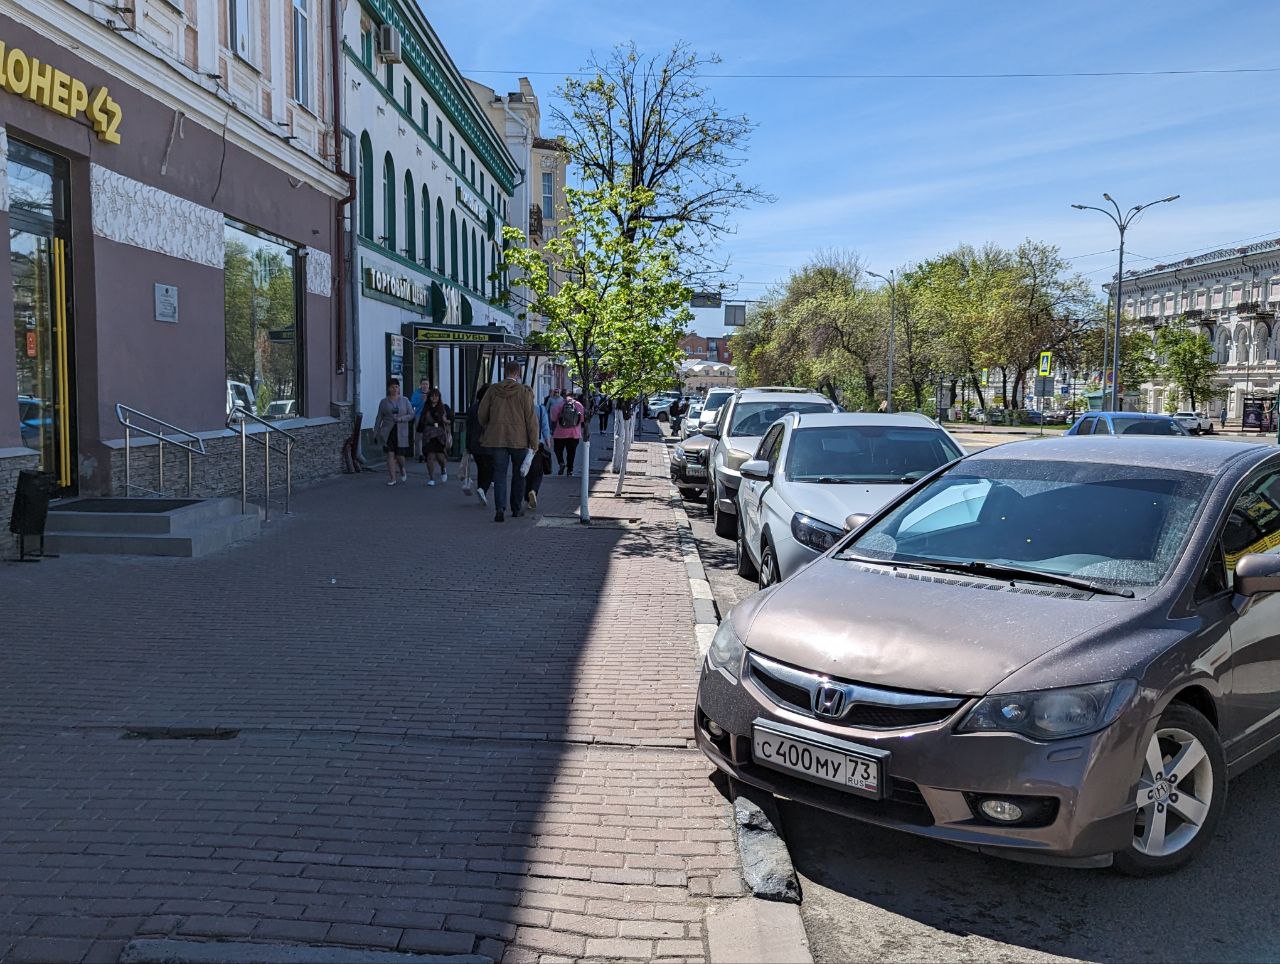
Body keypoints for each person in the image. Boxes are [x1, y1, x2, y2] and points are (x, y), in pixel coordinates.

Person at [477, 363, 539, 522]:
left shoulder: (493, 390)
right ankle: (516, 508)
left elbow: (482, 413)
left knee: (499, 474)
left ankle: (500, 508)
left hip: (497, 438)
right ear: (518, 373)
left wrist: (488, 426)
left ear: (505, 372)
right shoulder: (524, 392)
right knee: (519, 474)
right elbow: (531, 420)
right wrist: (534, 442)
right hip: (519, 439)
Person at [374, 379, 415, 486]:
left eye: (396, 386)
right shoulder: (384, 402)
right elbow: (379, 417)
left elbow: (411, 414)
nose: (394, 389)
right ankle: (392, 478)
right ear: (388, 388)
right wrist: (376, 431)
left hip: (401, 431)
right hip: (388, 431)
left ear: (399, 388)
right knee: (390, 454)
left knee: (400, 456)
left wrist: (401, 419)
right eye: (392, 387)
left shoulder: (405, 400)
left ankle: (402, 468)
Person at [464, 384, 494, 505]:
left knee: (481, 468)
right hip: (488, 443)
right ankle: (482, 489)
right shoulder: (492, 408)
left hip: (474, 444)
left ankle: (482, 492)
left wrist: (468, 445)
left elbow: (469, 427)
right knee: (490, 469)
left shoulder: (473, 408)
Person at [416, 388, 452, 486]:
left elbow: (450, 419)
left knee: (440, 457)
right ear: (429, 397)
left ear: (439, 397)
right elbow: (422, 421)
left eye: (436, 396)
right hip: (428, 435)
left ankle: (443, 469)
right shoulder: (426, 407)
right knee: (430, 456)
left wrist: (445, 421)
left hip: (439, 435)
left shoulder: (444, 408)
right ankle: (431, 478)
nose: (434, 398)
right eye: (432, 396)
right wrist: (419, 431)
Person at [524, 395, 554, 511]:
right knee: (537, 472)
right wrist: (548, 441)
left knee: (525, 473)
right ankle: (533, 491)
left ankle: (526, 498)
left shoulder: (520, 409)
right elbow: (545, 427)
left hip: (522, 445)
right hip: (537, 445)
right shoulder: (540, 409)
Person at [550, 389, 586, 475]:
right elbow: (582, 419)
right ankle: (570, 470)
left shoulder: (559, 404)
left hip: (560, 433)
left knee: (558, 450)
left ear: (562, 396)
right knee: (571, 452)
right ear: (573, 396)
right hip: (574, 434)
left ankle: (561, 462)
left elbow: (553, 418)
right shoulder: (578, 405)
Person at [409, 377, 431, 461]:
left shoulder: (431, 393)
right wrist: (421, 400)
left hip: (429, 417)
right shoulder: (416, 394)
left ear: (429, 385)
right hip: (419, 416)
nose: (425, 386)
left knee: (428, 435)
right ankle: (420, 454)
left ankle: (428, 453)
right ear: (420, 385)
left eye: (426, 384)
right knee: (419, 436)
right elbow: (412, 404)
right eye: (423, 384)